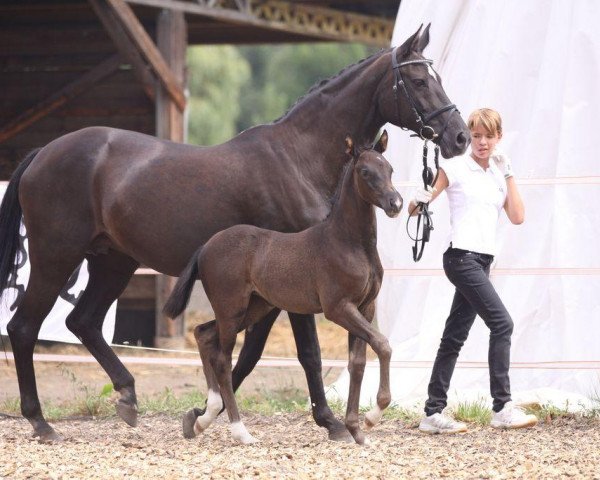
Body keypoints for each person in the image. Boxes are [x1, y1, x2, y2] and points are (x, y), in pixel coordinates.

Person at [412, 108, 538, 434]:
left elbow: (518, 216)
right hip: (461, 258)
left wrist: (508, 172)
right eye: (477, 135)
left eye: (488, 136)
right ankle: (502, 407)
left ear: (499, 138)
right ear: (470, 136)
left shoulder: (497, 174)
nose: (482, 142)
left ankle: (432, 412)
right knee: (502, 323)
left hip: (482, 262)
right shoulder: (455, 167)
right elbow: (421, 202)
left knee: (454, 337)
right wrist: (418, 198)